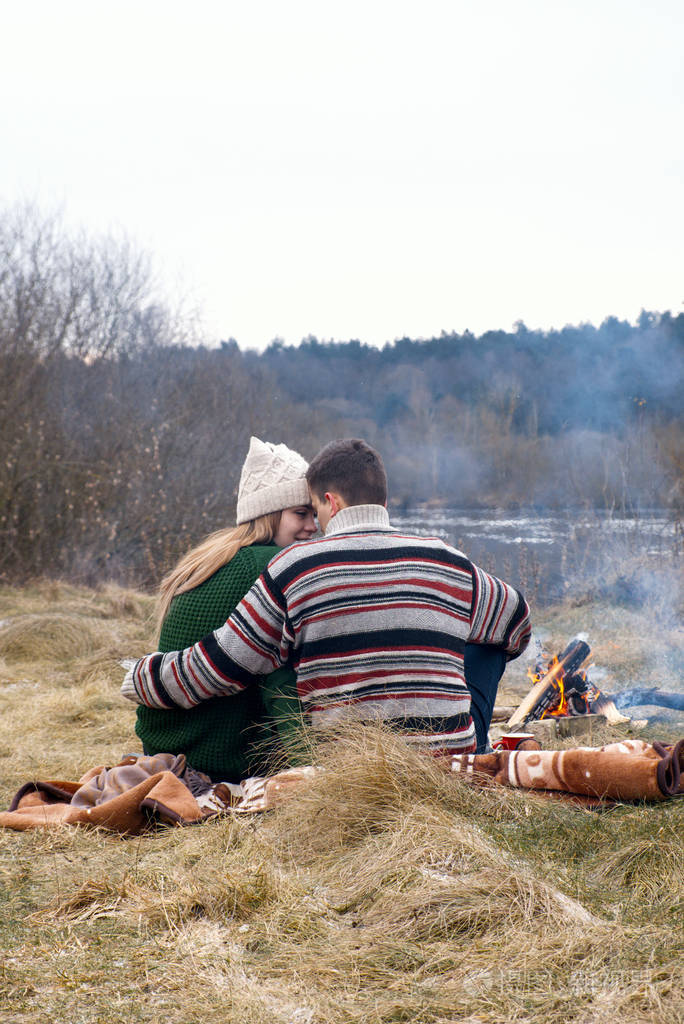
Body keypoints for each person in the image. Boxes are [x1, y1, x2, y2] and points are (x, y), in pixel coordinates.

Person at [123, 439, 531, 756]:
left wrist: (144, 676)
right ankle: (468, 743)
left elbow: (218, 668)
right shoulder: (449, 560)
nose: (314, 525)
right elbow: (518, 623)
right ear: (384, 503)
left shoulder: (294, 568)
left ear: (330, 502)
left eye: (313, 510)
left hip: (348, 770)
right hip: (448, 767)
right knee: (489, 639)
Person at [134, 436, 316, 781]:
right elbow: (279, 678)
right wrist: (308, 769)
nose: (312, 526)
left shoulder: (213, 554)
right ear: (269, 513)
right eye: (300, 513)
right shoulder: (274, 565)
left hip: (163, 745)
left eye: (313, 513)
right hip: (219, 754)